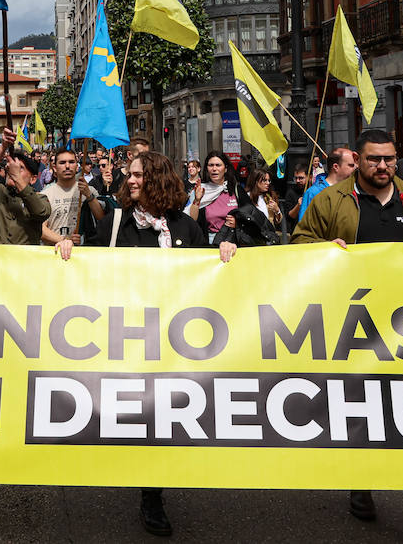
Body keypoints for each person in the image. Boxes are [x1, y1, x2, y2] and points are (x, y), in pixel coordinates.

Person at [292, 128, 403, 542]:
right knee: (360, 409)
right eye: (373, 159)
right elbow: (299, 246)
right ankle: (361, 485)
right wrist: (324, 250)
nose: (383, 167)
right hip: (351, 328)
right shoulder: (330, 201)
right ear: (357, 159)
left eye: (389, 159)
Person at [56, 150, 234, 536]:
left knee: (164, 417)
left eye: (139, 175)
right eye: (129, 176)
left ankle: (153, 489)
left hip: (173, 342)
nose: (131, 181)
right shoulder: (116, 224)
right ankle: (139, 484)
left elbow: (208, 281)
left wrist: (225, 254)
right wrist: (68, 252)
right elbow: (85, 268)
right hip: (126, 338)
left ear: (159, 180)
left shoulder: (186, 228)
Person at [0, 128, 50, 244]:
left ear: (33, 178)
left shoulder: (41, 198)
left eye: (20, 168)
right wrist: (3, 147)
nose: (12, 171)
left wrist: (17, 177)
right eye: (10, 167)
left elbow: (40, 212)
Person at [39, 148, 106, 246]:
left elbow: (102, 219)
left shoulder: (90, 190)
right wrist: (65, 240)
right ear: (55, 167)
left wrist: (89, 196)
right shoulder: (45, 194)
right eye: (62, 163)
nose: (67, 166)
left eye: (71, 162)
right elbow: (41, 229)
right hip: (55, 253)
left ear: (77, 166)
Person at [185, 151, 247, 245]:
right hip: (209, 246)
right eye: (211, 165)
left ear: (225, 169)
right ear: (206, 169)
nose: (214, 169)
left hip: (234, 245)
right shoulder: (200, 189)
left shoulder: (236, 190)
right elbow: (191, 220)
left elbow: (250, 216)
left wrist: (237, 223)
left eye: (218, 165)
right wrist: (197, 200)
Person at [296, 146, 356, 223]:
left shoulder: (351, 190)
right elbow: (304, 226)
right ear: (336, 167)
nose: (355, 168)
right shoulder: (312, 193)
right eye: (350, 165)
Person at [229, 167, 283, 246]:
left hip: (269, 237)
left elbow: (277, 221)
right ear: (255, 181)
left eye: (269, 180)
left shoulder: (270, 197)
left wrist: (277, 210)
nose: (268, 183)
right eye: (264, 180)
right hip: (252, 238)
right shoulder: (246, 197)